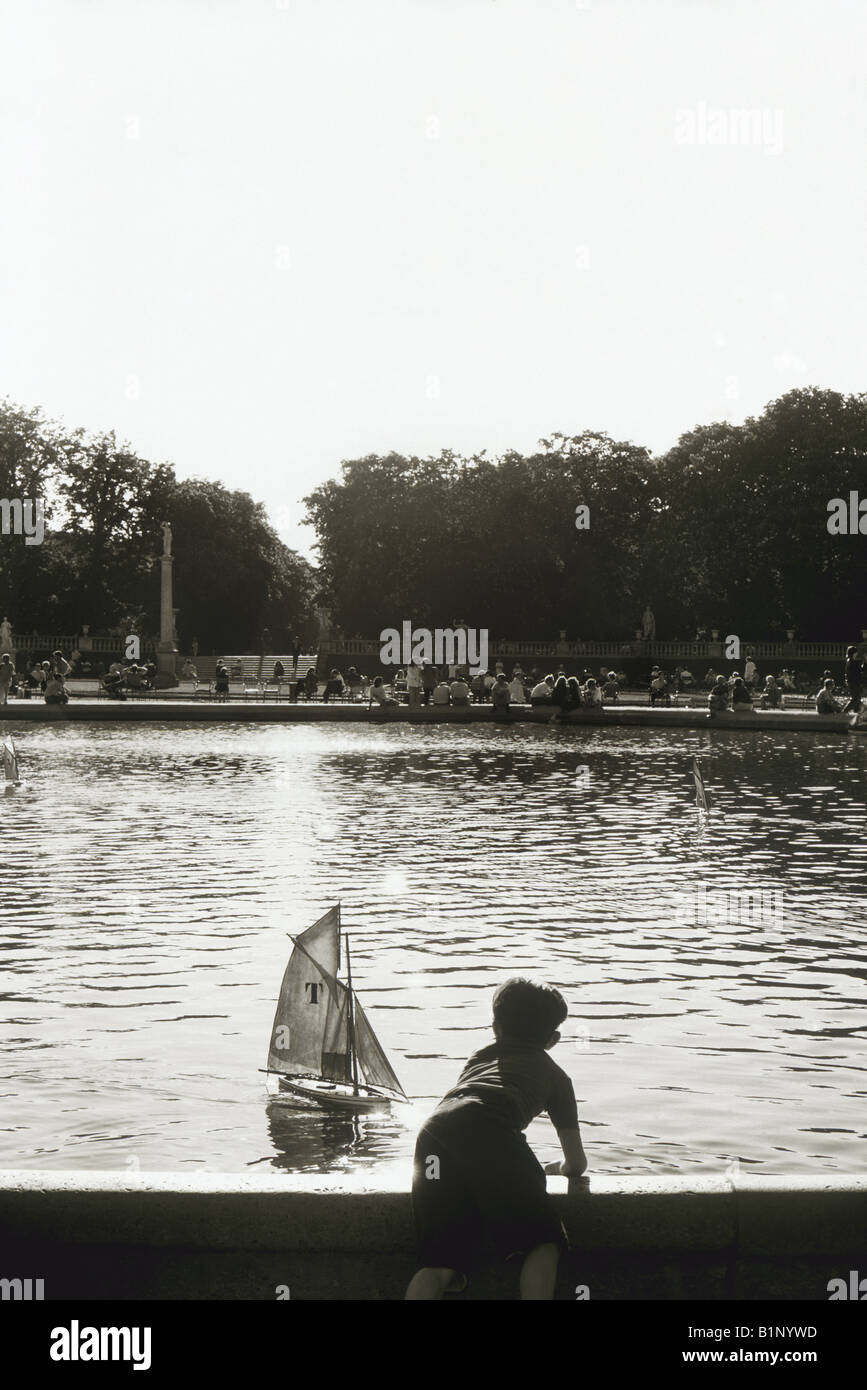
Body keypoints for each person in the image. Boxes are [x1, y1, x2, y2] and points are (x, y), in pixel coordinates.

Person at [405, 978, 587, 1301]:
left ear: (495, 1028)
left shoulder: (479, 1056)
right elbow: (576, 1163)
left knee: (439, 1263)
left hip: (433, 1132)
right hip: (492, 1128)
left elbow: (465, 1133)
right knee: (544, 1241)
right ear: (554, 1038)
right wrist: (556, 1167)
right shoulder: (557, 1078)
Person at [843, 645, 864, 713]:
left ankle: (856, 711)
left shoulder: (849, 661)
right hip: (854, 683)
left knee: (857, 698)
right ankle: (845, 711)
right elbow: (856, 673)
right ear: (853, 653)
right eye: (856, 652)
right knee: (855, 698)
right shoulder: (852, 662)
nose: (857, 654)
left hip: (852, 682)